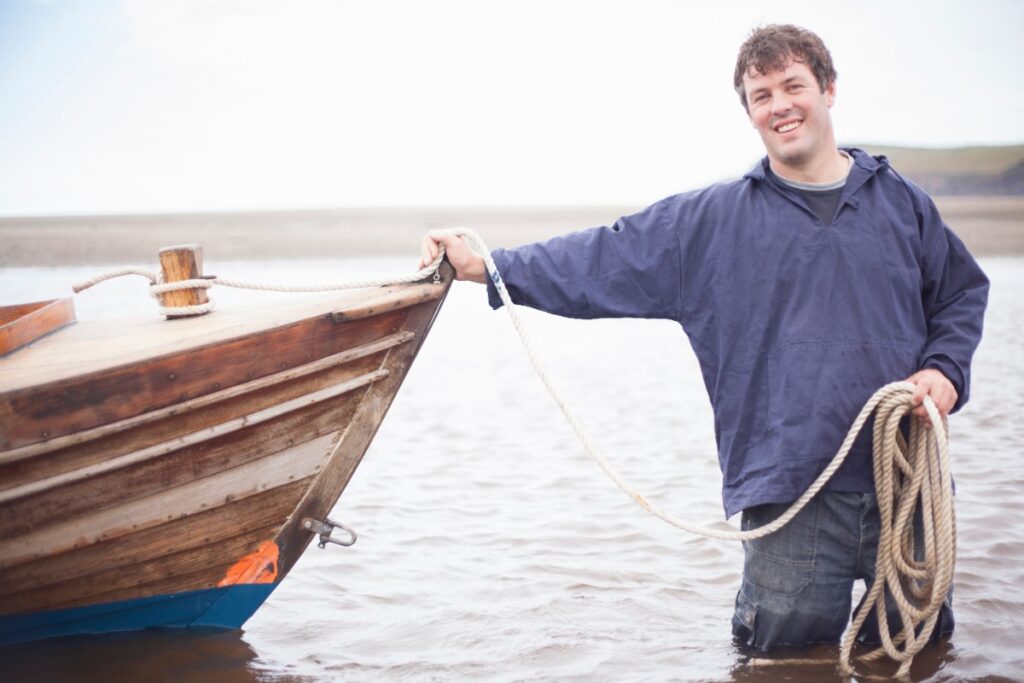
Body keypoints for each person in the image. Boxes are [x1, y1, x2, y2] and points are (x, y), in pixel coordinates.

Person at [419, 24, 988, 652]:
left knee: (919, 652)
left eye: (793, 86)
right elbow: (604, 257)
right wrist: (489, 265)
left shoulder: (901, 203)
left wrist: (946, 369)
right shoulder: (711, 222)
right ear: (750, 113)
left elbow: (961, 293)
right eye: (761, 95)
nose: (780, 105)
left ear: (828, 89)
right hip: (788, 492)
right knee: (779, 662)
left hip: (907, 481)